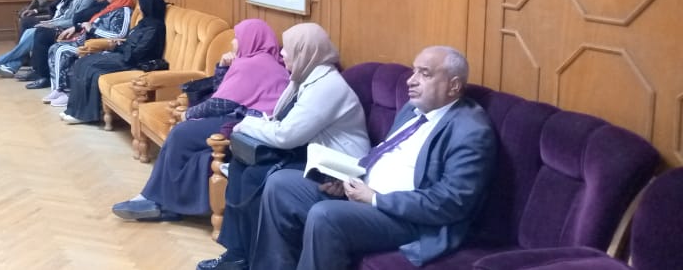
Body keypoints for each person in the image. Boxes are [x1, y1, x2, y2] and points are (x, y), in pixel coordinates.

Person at [250, 46, 498, 270]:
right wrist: (346, 179)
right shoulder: (413, 109)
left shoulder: (471, 130)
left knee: (325, 216)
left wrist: (376, 198)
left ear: (454, 86)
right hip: (366, 192)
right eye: (414, 71)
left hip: (409, 219)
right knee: (281, 185)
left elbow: (451, 202)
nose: (411, 80)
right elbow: (383, 156)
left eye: (425, 74)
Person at [197, 22, 371, 270]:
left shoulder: (328, 86)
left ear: (305, 51)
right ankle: (237, 253)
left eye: (288, 48)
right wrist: (257, 124)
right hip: (309, 154)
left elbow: (286, 135)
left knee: (256, 176)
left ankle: (254, 258)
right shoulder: (303, 76)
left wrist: (247, 124)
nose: (282, 53)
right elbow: (282, 122)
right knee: (239, 165)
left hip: (335, 169)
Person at [111, 19, 290, 221]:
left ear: (251, 40)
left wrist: (189, 114)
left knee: (180, 133)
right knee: (189, 143)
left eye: (237, 38)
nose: (233, 43)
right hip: (246, 121)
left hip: (244, 125)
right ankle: (161, 200)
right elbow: (223, 92)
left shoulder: (252, 64)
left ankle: (156, 200)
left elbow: (220, 103)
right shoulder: (266, 61)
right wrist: (223, 66)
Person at [60, 0, 168, 124]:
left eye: (141, 5)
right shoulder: (144, 22)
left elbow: (139, 52)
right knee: (83, 62)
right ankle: (73, 110)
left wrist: (117, 47)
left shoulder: (155, 27)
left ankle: (84, 115)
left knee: (90, 68)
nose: (139, 8)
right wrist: (118, 45)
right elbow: (131, 43)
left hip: (133, 62)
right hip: (124, 55)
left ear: (148, 6)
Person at [41, 0, 135, 107]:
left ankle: (67, 92)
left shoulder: (124, 11)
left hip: (99, 46)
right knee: (55, 48)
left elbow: (119, 35)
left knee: (62, 51)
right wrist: (79, 27)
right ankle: (58, 89)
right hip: (87, 41)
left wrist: (93, 30)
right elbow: (92, 23)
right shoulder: (111, 8)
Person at [0, 0, 92, 77]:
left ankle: (1, 61)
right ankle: (12, 67)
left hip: (66, 29)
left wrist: (50, 24)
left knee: (34, 31)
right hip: (58, 24)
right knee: (29, 30)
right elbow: (60, 12)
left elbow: (73, 20)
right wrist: (47, 22)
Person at [23, 0, 110, 89]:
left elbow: (83, 19)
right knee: (36, 29)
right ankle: (36, 71)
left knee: (42, 34)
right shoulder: (96, 1)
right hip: (76, 29)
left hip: (84, 36)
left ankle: (44, 76)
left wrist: (72, 26)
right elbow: (79, 16)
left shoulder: (103, 4)